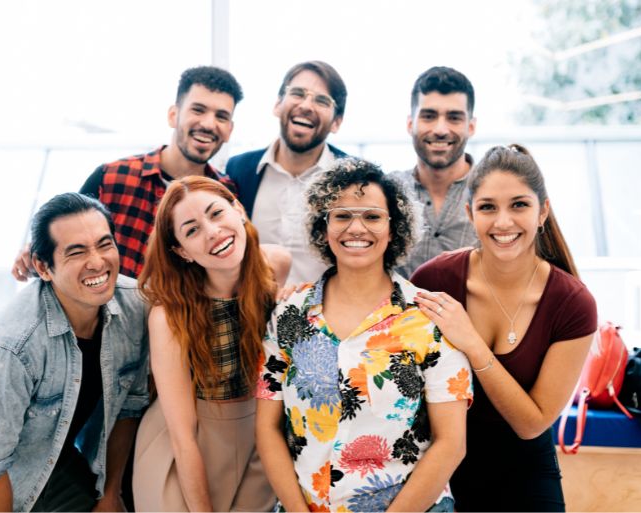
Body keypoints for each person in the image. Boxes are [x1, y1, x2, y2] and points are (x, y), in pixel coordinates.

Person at [255, 158, 472, 512]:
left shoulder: (429, 317)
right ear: (323, 226)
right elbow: (267, 429)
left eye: (372, 216)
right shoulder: (289, 313)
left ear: (393, 228)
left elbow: (451, 443)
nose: (356, 228)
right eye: (342, 216)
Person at [0, 193, 149, 512]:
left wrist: (110, 495)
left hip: (56, 457)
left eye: (105, 245)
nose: (97, 262)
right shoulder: (10, 346)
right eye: (77, 252)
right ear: (43, 267)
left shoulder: (134, 307)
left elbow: (129, 407)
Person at [411, 144, 597, 512]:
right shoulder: (433, 279)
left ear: (542, 211)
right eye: (487, 208)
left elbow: (532, 424)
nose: (503, 222)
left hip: (525, 473)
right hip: (438, 469)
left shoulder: (573, 304)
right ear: (470, 214)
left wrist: (471, 343)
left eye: (519, 205)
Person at [132, 176, 289, 511]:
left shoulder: (275, 266)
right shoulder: (170, 315)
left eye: (216, 213)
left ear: (239, 210)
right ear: (181, 252)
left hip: (258, 434)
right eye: (191, 230)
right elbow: (182, 434)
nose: (212, 232)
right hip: (184, 446)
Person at [12, 65, 243, 281]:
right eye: (198, 110)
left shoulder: (228, 193)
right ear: (173, 115)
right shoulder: (112, 177)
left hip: (187, 321)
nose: (209, 124)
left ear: (230, 130)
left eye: (221, 116)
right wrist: (35, 255)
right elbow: (63, 240)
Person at [226, 61, 348, 284]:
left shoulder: (353, 178)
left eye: (321, 100)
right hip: (251, 313)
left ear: (336, 123)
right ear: (277, 105)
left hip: (326, 315)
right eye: (297, 93)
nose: (306, 105)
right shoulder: (238, 169)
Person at [392, 66, 479, 277]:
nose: (440, 130)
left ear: (471, 126)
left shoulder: (493, 193)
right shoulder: (386, 192)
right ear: (410, 124)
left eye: (454, 117)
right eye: (429, 116)